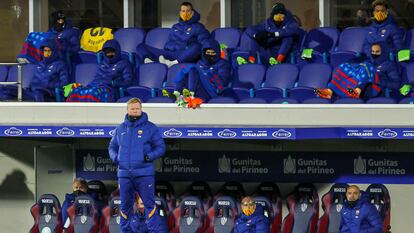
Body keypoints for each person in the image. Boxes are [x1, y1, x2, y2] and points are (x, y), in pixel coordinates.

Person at [108, 98, 167, 233]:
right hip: (124, 174)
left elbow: (161, 147)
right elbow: (112, 146)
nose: (135, 111)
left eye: (137, 109)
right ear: (127, 110)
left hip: (144, 174)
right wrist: (116, 158)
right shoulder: (120, 128)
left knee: (149, 205)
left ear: (141, 109)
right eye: (132, 109)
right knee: (125, 206)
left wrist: (148, 156)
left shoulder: (150, 128)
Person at [316, 43, 401, 100]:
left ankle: (357, 91)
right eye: (372, 51)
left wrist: (378, 80)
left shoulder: (389, 65)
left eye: (377, 52)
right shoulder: (369, 61)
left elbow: (396, 84)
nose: (374, 53)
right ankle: (330, 91)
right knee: (343, 66)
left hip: (374, 89)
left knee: (366, 66)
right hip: (355, 87)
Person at [136, 2, 210, 67]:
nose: (185, 13)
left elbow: (204, 43)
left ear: (192, 12)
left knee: (197, 47)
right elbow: (169, 42)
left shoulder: (198, 27)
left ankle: (173, 63)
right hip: (169, 53)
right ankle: (151, 62)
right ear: (180, 13)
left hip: (183, 55)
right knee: (140, 47)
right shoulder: (175, 27)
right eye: (183, 11)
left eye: (188, 11)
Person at [162, 39, 231, 102]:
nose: (210, 55)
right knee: (188, 70)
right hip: (199, 90)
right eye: (208, 52)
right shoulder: (200, 63)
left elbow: (221, 85)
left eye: (213, 53)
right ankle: (177, 93)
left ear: (217, 52)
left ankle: (190, 94)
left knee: (192, 68)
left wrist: (211, 74)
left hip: (212, 92)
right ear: (204, 52)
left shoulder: (223, 64)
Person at [66, 39, 132, 102]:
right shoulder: (103, 63)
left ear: (117, 51)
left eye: (112, 52)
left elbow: (128, 81)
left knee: (93, 93)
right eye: (107, 52)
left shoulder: (124, 63)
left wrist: (115, 83)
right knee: (75, 92)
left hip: (109, 89)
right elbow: (97, 78)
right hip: (95, 85)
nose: (109, 54)